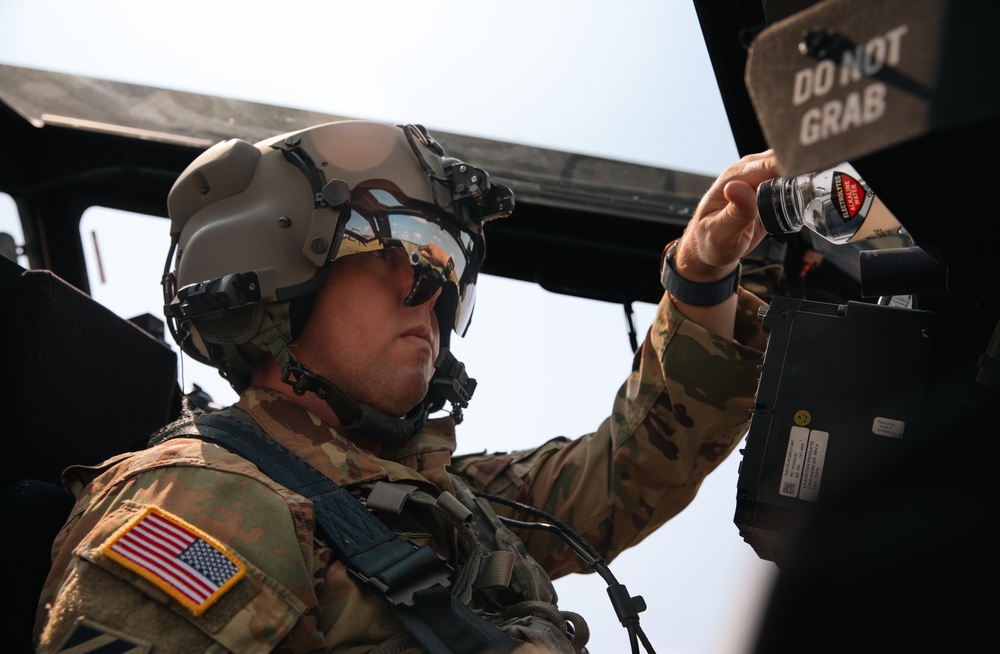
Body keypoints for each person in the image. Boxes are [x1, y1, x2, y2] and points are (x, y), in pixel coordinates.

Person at [33, 120, 776, 653]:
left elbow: (627, 468)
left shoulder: (449, 498)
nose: (434, 294)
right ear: (285, 269)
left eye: (451, 270)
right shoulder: (198, 498)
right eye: (412, 254)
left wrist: (701, 279)